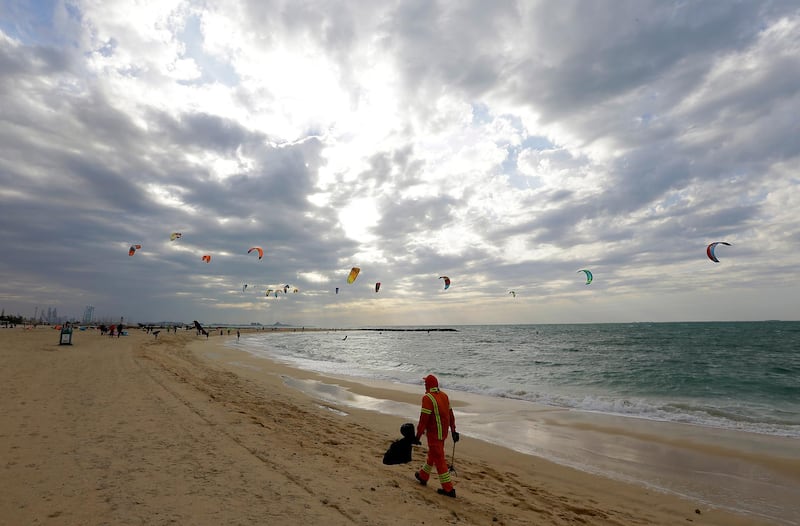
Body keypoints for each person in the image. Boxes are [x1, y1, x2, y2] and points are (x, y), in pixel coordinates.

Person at [414, 374, 459, 497]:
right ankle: (423, 476)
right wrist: (453, 430)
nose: (424, 385)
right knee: (433, 455)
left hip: (434, 435)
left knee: (439, 461)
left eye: (425, 383)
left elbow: (423, 420)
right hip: (443, 434)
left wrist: (417, 437)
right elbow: (451, 415)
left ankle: (449, 490)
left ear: (428, 385)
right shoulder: (444, 396)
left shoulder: (427, 398)